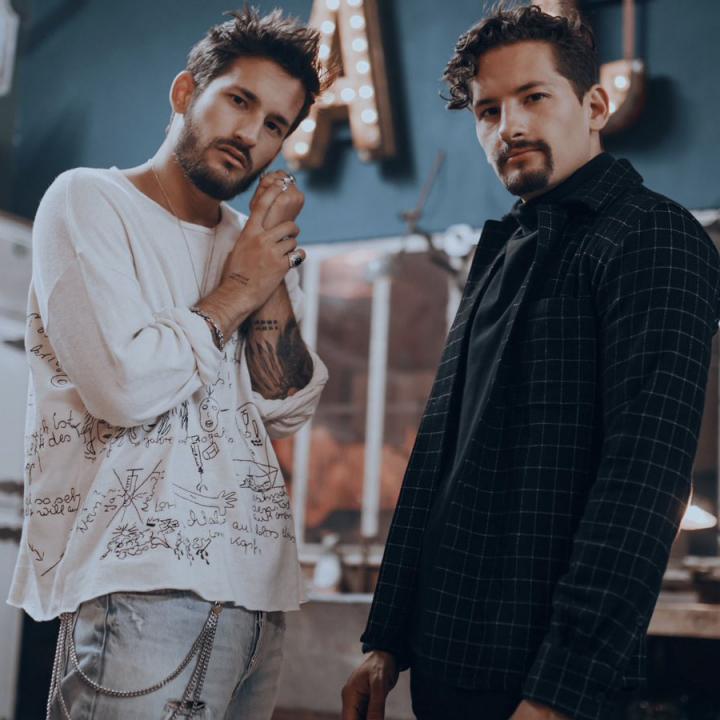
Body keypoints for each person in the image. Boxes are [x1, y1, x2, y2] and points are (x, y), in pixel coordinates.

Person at [342, 5, 720, 720]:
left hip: (544, 683)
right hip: (445, 665)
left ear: (595, 106)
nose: (508, 126)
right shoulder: (503, 250)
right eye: (488, 110)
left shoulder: (653, 237)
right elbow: (439, 458)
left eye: (534, 97)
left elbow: (641, 483)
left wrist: (559, 691)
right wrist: (385, 637)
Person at [9, 7, 330, 719]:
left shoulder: (255, 247)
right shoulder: (89, 200)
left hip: (259, 594)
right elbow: (123, 386)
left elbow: (285, 405)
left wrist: (267, 263)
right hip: (140, 585)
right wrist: (237, 288)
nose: (251, 135)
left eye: (275, 125)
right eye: (239, 101)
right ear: (187, 91)